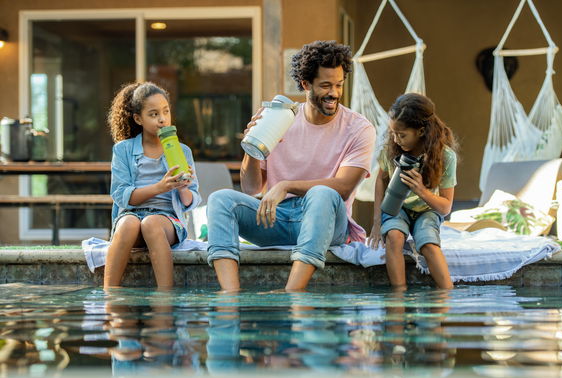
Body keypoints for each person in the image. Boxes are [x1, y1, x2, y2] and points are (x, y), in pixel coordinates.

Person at [207, 40, 376, 291]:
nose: (334, 93)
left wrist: (286, 186)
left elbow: (344, 187)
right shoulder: (280, 119)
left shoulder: (359, 128)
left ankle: (292, 293)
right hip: (275, 219)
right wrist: (252, 146)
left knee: (322, 193)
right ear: (306, 85)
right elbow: (251, 187)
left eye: (339, 85)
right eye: (325, 85)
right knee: (219, 200)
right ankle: (231, 296)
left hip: (327, 222)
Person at [105, 82, 201, 287]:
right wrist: (160, 187)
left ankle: (165, 300)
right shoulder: (122, 150)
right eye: (154, 114)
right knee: (129, 224)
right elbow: (121, 195)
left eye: (165, 111)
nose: (162, 119)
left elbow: (190, 201)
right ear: (138, 119)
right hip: (131, 214)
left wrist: (183, 187)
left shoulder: (182, 151)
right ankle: (109, 296)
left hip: (167, 221)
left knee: (151, 223)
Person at [368, 93, 458, 289]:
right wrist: (376, 223)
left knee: (428, 244)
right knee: (394, 236)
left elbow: (445, 207)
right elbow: (380, 181)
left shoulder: (445, 157)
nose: (396, 139)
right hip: (396, 206)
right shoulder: (392, 149)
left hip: (427, 208)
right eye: (393, 133)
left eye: (401, 135)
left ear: (421, 131)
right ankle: (398, 297)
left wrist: (422, 191)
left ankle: (447, 297)